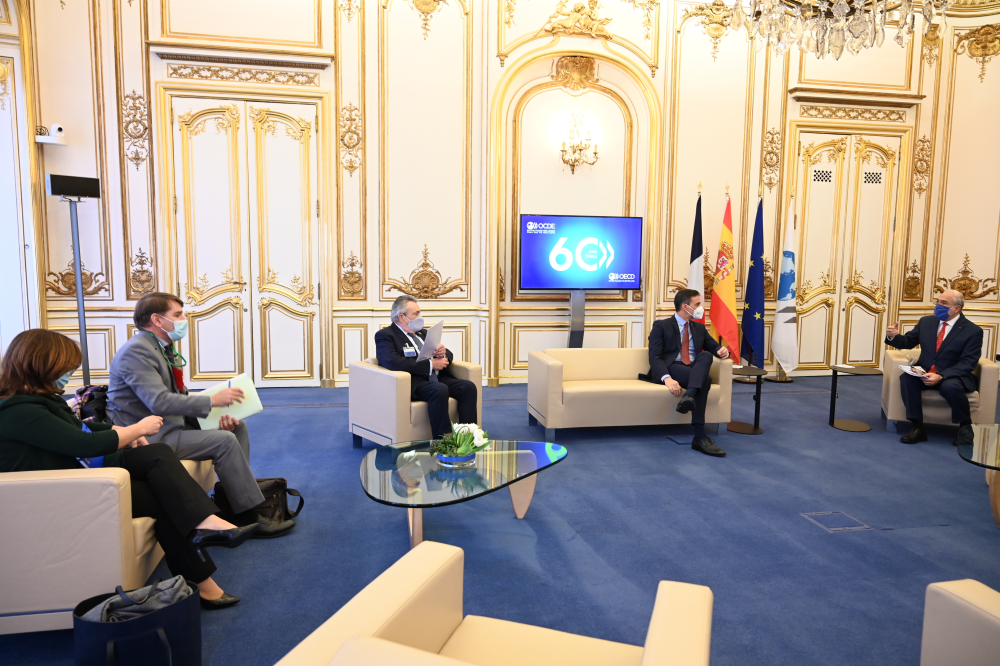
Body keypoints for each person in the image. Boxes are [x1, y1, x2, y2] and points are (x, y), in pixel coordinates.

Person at [0, 329, 258, 609]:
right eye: (65, 368)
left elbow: (79, 429)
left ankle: (206, 556)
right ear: (39, 365)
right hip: (60, 490)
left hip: (76, 475)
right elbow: (81, 443)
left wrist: (123, 432)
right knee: (164, 491)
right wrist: (136, 429)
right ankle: (205, 556)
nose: (69, 374)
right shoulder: (19, 411)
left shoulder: (37, 400)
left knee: (158, 461)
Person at [108, 292, 294, 538]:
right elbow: (158, 401)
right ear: (157, 320)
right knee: (224, 441)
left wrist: (212, 413)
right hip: (151, 437)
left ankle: (232, 503)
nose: (184, 319)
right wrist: (212, 401)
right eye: (177, 315)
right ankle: (249, 515)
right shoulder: (137, 352)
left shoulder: (160, 347)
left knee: (237, 428)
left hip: (172, 425)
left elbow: (177, 393)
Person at [885, 289, 983, 446]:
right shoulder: (927, 322)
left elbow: (968, 363)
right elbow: (908, 342)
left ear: (957, 308)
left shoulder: (973, 331)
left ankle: (965, 427)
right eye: (938, 302)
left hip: (952, 375)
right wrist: (893, 336)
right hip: (925, 371)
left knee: (950, 387)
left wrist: (942, 376)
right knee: (907, 379)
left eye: (944, 303)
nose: (939, 306)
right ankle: (918, 427)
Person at [374, 295, 478, 439]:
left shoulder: (423, 333)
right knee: (439, 389)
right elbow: (391, 361)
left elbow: (447, 353)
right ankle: (444, 441)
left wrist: (443, 353)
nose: (419, 317)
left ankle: (468, 437)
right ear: (402, 317)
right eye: (415, 314)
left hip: (436, 377)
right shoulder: (386, 335)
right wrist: (429, 364)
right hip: (414, 382)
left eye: (419, 312)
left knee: (468, 387)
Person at [648, 288, 731, 457]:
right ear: (686, 307)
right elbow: (654, 357)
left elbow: (712, 346)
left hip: (692, 369)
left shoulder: (698, 328)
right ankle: (700, 437)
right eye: (698, 304)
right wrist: (667, 379)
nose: (702, 308)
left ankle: (689, 396)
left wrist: (722, 351)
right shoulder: (661, 326)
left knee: (706, 355)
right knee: (705, 381)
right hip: (672, 367)